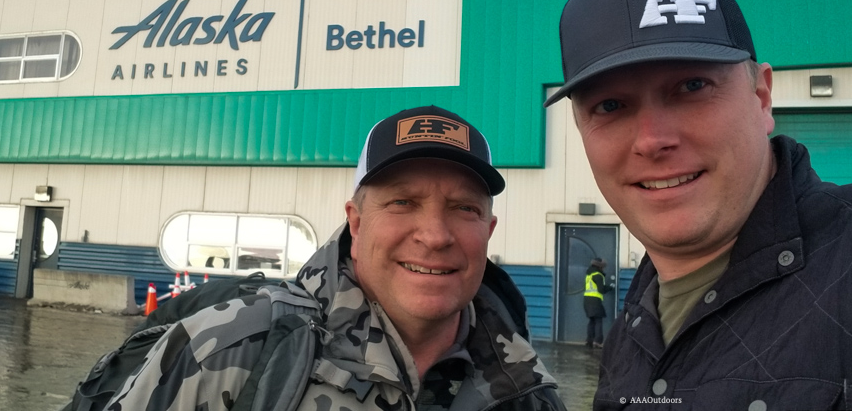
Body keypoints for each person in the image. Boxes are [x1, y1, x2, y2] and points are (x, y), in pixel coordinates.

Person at [544, 0, 852, 410]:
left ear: (761, 97)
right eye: (610, 106)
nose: (652, 140)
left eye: (692, 86)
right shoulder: (630, 331)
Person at [106, 105, 566, 411]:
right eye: (402, 202)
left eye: (464, 208)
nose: (435, 235)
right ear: (357, 223)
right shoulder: (224, 349)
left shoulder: (528, 389)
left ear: (488, 231)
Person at [582, 258, 613, 349]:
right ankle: (598, 341)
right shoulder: (598, 275)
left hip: (587, 300)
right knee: (598, 320)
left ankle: (589, 340)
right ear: (600, 266)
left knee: (592, 320)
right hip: (595, 300)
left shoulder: (589, 275)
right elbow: (601, 289)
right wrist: (610, 287)